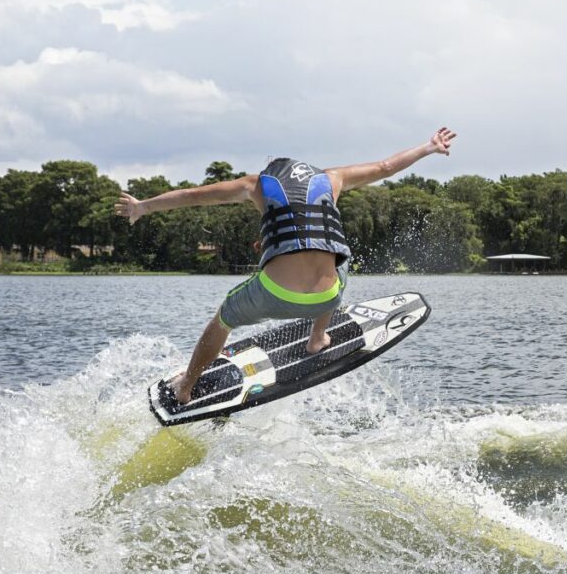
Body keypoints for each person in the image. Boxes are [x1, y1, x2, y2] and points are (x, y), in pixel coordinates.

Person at [115, 128, 456, 404]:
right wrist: (428, 147)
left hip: (273, 294)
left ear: (271, 170)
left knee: (222, 318)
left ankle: (186, 386)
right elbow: (385, 167)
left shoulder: (255, 184)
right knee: (342, 255)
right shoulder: (333, 178)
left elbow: (192, 195)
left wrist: (143, 206)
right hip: (327, 298)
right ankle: (318, 336)